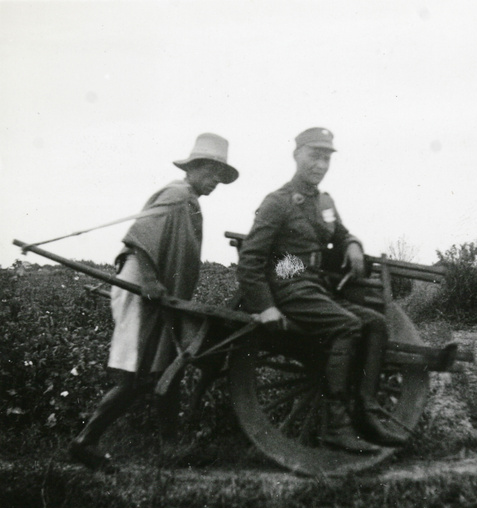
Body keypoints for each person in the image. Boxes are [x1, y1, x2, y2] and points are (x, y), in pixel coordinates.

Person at [70, 133, 239, 470]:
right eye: (212, 174)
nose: (215, 182)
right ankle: (85, 442)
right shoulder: (176, 195)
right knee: (137, 376)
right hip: (140, 284)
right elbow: (139, 238)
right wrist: (149, 280)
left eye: (220, 177)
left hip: (156, 290)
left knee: (166, 366)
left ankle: (171, 447)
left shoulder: (188, 200)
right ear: (195, 168)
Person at [236, 128, 406, 452]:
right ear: (297, 155)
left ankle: (367, 415)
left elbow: (340, 233)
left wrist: (353, 244)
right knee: (348, 325)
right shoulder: (278, 202)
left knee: (375, 323)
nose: (320, 164)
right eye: (315, 155)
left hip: (315, 287)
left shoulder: (325, 202)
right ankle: (337, 426)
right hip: (288, 284)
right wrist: (265, 306)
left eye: (326, 157)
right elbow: (251, 259)